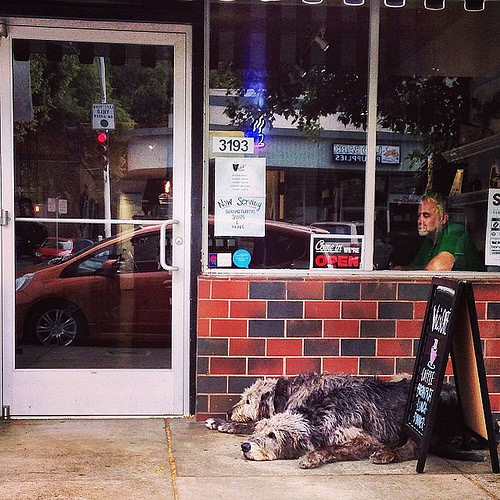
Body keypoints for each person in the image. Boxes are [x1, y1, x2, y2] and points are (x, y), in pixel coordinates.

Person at [404, 191, 484, 271]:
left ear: (443, 219)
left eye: (426, 215)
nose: (419, 221)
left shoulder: (455, 231)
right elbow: (413, 268)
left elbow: (440, 266)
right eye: (419, 216)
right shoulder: (429, 240)